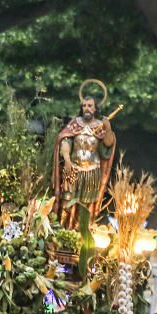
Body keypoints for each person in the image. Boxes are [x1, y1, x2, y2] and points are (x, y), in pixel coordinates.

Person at [51, 91, 117, 230]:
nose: (87, 108)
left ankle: (80, 233)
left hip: (92, 172)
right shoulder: (75, 124)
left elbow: (108, 144)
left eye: (90, 105)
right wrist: (67, 159)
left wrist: (108, 128)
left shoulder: (101, 126)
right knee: (66, 201)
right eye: (84, 105)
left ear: (95, 108)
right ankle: (62, 231)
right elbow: (65, 140)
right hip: (73, 168)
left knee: (85, 205)